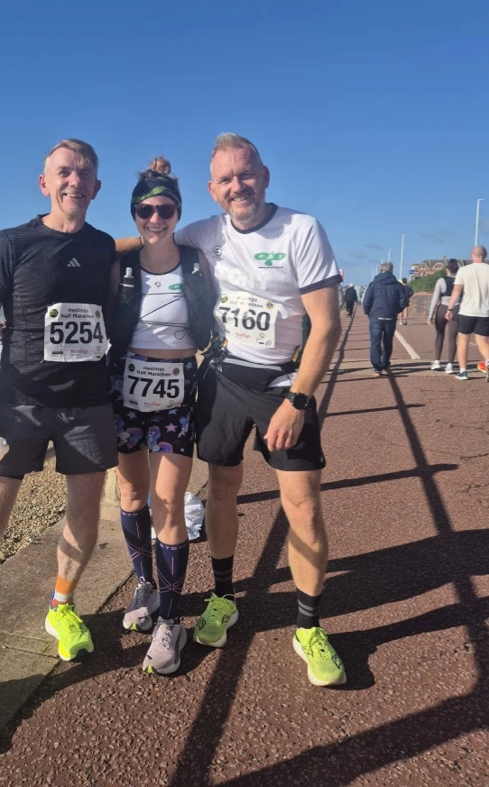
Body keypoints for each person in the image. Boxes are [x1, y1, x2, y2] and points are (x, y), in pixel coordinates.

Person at [0, 139, 118, 755]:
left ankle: (61, 604)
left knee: (86, 519)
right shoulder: (11, 244)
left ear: (96, 186)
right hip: (19, 405)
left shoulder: (105, 246)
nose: (74, 181)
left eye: (84, 173)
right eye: (64, 172)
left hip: (87, 406)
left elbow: (122, 274)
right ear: (43, 183)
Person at [171, 133, 346, 687]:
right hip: (222, 379)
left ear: (265, 175)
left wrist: (299, 399)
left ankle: (309, 627)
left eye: (245, 174)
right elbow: (149, 240)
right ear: (212, 190)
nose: (237, 186)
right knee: (221, 490)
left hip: (282, 385)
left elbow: (327, 325)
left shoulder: (301, 229)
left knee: (304, 508)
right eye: (225, 179)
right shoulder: (204, 232)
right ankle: (223, 597)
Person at [108, 157, 214, 675]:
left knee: (169, 502)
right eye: (145, 210)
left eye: (164, 208)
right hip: (124, 392)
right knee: (130, 495)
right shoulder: (119, 265)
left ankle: (172, 619)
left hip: (177, 393)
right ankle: (144, 586)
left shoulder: (197, 261)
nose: (155, 217)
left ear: (178, 211)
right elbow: (89, 251)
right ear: (134, 215)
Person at [445, 245, 489, 381]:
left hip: (467, 311)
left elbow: (456, 291)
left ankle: (463, 371)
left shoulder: (464, 270)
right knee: (482, 341)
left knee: (463, 340)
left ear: (472, 255)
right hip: (485, 311)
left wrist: (450, 308)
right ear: (485, 255)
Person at [362, 262, 409, 376]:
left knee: (375, 342)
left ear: (380, 270)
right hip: (390, 317)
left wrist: (368, 312)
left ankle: (377, 368)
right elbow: (404, 302)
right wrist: (396, 311)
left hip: (375, 317)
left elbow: (366, 301)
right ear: (391, 270)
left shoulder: (373, 284)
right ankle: (385, 362)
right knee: (388, 341)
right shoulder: (398, 285)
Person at [427, 260, 460, 373]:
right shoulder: (461, 281)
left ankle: (437, 361)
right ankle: (450, 365)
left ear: (447, 269)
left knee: (440, 334)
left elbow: (435, 298)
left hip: (442, 308)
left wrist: (430, 315)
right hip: (456, 309)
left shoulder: (441, 280)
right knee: (452, 338)